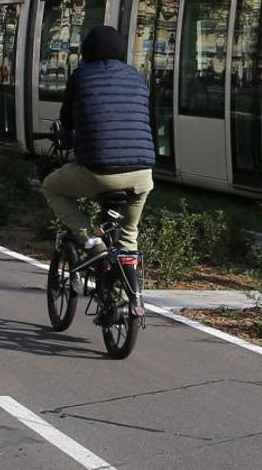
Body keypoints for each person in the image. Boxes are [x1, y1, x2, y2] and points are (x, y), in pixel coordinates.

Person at [41, 26, 155, 313]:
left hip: (98, 169)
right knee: (129, 232)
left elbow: (67, 122)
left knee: (52, 186)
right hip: (142, 172)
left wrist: (65, 138)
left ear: (87, 51)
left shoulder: (81, 76)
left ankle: (90, 240)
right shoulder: (136, 77)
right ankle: (126, 299)